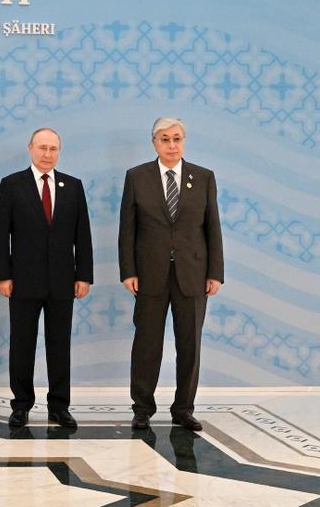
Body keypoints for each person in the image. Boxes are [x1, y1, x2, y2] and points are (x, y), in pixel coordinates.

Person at [119, 117, 224, 432]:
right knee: (147, 344)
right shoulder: (137, 177)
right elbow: (127, 230)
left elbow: (212, 227)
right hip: (149, 275)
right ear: (154, 142)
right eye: (164, 139)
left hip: (193, 274)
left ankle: (183, 409)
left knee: (190, 344)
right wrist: (128, 271)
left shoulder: (203, 177)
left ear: (184, 141)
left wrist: (215, 272)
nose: (171, 145)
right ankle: (142, 408)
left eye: (177, 138)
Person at [0, 128, 93, 429]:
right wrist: (3, 275)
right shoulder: (11, 185)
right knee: (22, 344)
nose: (47, 154)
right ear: (30, 148)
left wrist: (84, 275)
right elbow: (0, 235)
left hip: (63, 281)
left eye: (53, 149)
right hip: (22, 280)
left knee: (60, 345)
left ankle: (59, 406)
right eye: (42, 148)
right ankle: (21, 405)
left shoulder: (73, 186)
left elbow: (82, 235)